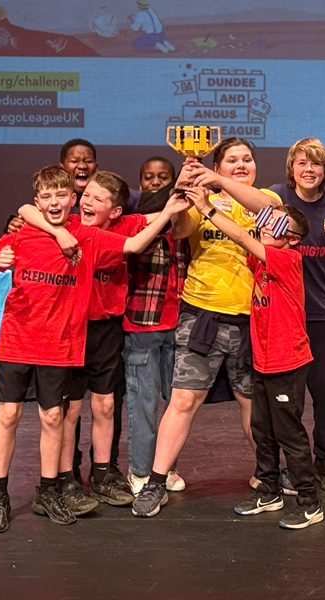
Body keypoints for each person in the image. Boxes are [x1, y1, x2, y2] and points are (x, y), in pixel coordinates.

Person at [0, 165, 187, 533]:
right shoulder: (24, 232)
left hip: (61, 345)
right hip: (18, 340)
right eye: (47, 197)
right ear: (38, 200)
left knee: (54, 417)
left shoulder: (86, 237)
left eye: (63, 196)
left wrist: (170, 212)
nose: (55, 202)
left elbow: (134, 244)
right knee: (8, 416)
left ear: (71, 200)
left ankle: (52, 489)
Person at [131, 138, 281, 518]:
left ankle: (268, 477)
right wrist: (184, 197)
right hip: (202, 316)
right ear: (219, 163)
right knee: (183, 401)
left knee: (254, 405)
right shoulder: (201, 199)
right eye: (232, 160)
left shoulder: (263, 198)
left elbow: (272, 211)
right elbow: (180, 230)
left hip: (252, 318)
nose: (242, 164)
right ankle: (156, 482)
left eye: (247, 159)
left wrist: (217, 181)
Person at [187, 190, 324, 529]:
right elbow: (258, 222)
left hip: (286, 360)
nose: (268, 227)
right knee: (262, 430)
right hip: (262, 359)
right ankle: (269, 491)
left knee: (289, 434)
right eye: (269, 222)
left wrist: (205, 208)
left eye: (278, 227)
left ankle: (310, 501)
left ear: (292, 240)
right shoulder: (264, 256)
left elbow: (240, 235)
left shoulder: (287, 259)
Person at [269, 138, 325, 493]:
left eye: (315, 164)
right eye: (301, 162)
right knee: (289, 397)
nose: (308, 170)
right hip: (284, 314)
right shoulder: (275, 199)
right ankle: (291, 465)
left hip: (323, 313)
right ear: (291, 169)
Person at [122, 157, 188, 495]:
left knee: (175, 405)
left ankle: (166, 466)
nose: (156, 183)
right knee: (143, 403)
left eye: (164, 177)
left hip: (179, 326)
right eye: (149, 177)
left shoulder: (183, 220)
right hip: (143, 325)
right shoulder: (134, 222)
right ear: (140, 182)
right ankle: (140, 471)